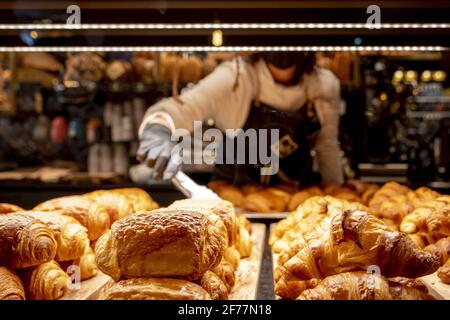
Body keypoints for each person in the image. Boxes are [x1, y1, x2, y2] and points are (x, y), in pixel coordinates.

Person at [137, 52, 343, 187]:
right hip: (232, 202)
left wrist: (337, 199)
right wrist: (158, 129)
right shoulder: (235, 78)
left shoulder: (323, 86)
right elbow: (182, 108)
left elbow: (327, 148)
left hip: (297, 207)